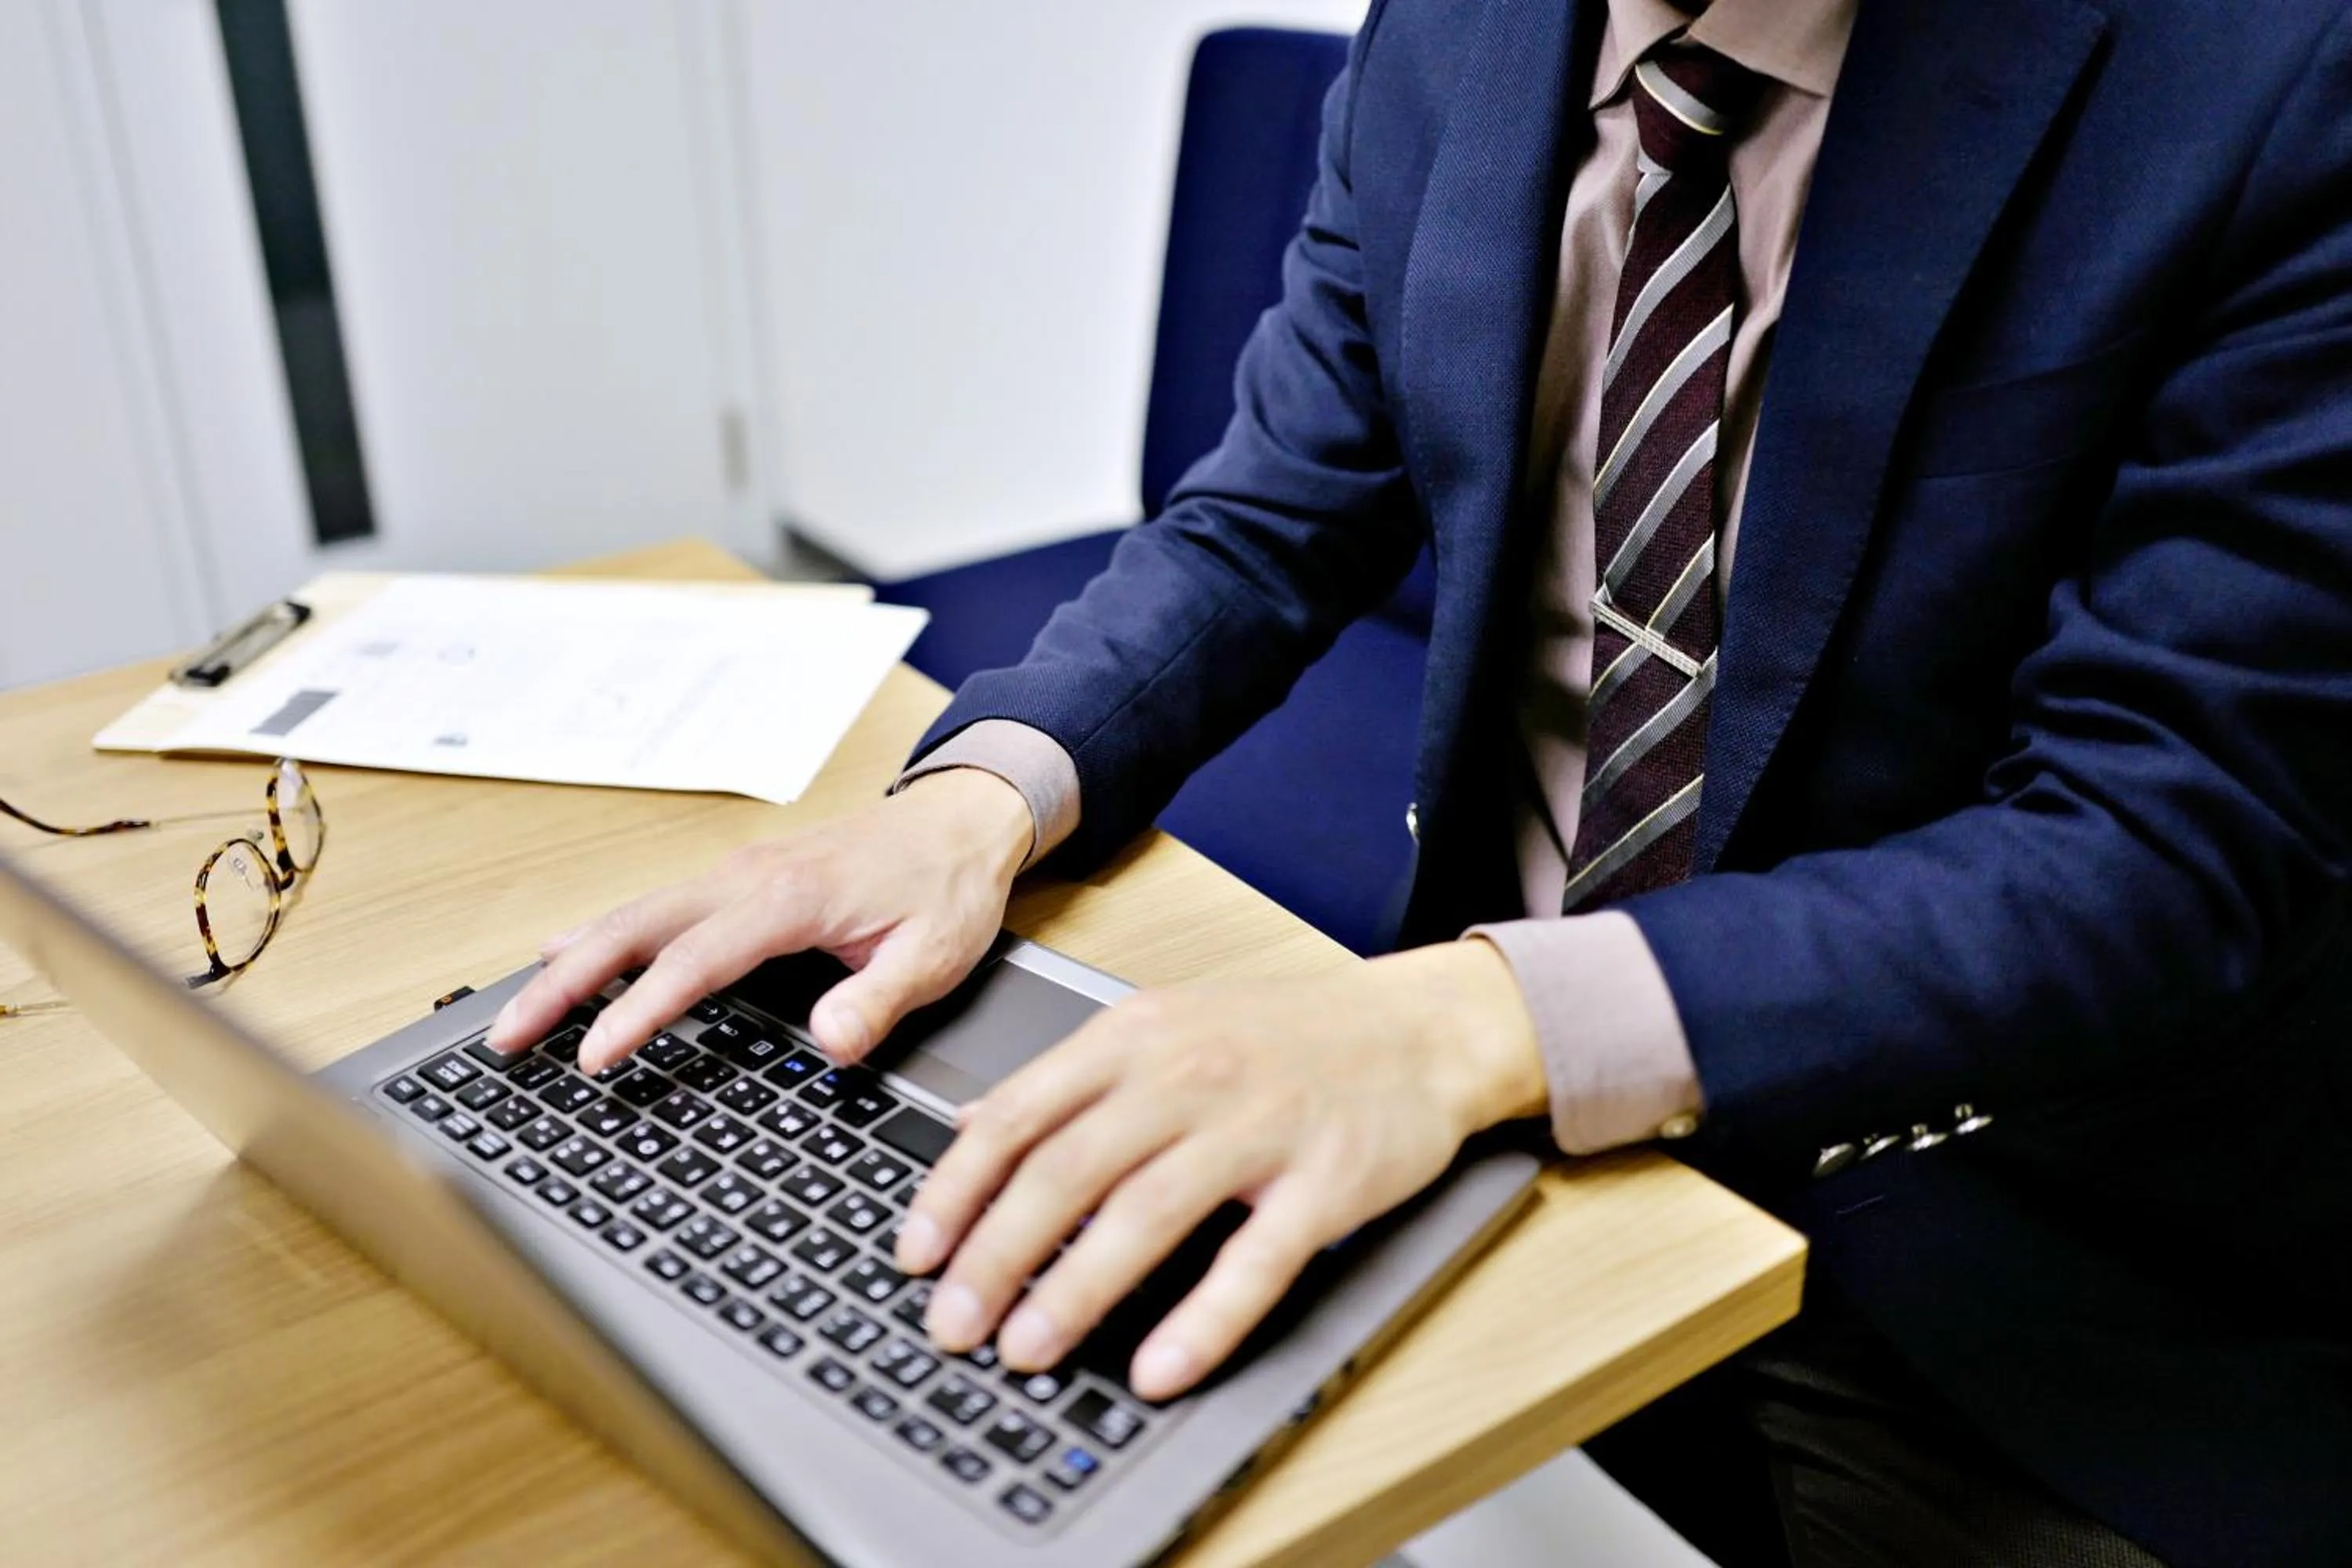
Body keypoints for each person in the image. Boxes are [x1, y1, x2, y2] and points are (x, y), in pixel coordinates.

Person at [491, 0, 2352, 1561]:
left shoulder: (2271, 77)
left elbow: (2162, 840)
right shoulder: (1462, 29)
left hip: (2000, 1229)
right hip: (1485, 1116)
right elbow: (1267, 515)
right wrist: (975, 801)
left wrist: (1458, 1025)